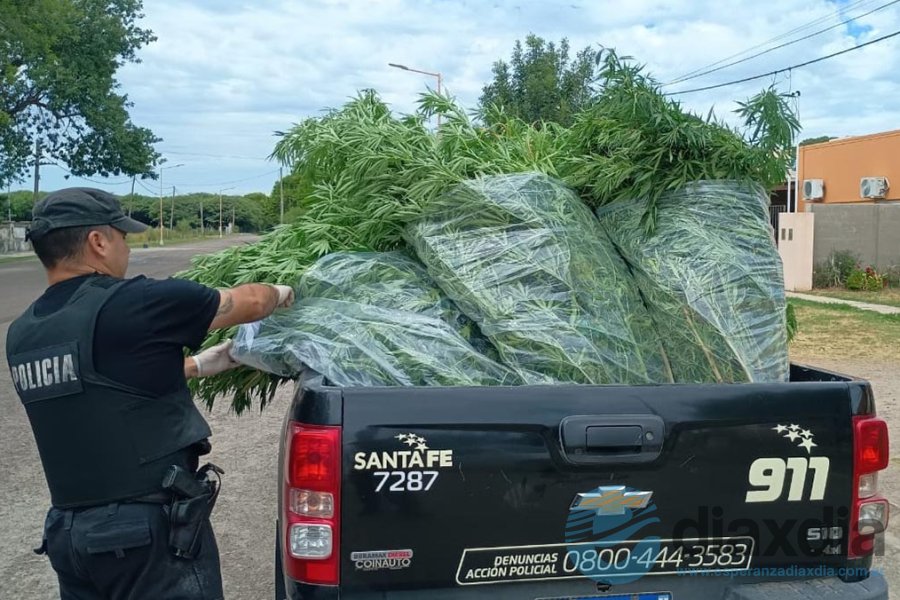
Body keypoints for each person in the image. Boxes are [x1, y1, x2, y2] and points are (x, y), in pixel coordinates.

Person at [5, 187, 294, 599]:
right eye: (122, 236)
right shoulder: (135, 302)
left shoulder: (23, 333)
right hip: (142, 538)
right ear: (98, 241)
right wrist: (284, 292)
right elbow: (246, 302)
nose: (127, 246)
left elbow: (100, 384)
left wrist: (197, 365)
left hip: (70, 537)